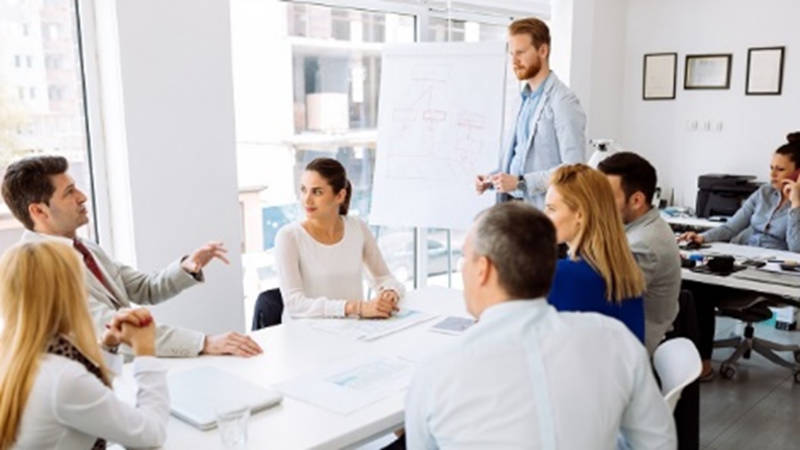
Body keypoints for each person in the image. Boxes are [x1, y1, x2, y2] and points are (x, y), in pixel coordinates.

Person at [404, 202, 676, 449]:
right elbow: (657, 444)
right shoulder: (615, 341)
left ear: (483, 269)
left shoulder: (437, 372)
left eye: (465, 257)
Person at [1, 155, 262, 358]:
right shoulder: (38, 268)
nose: (82, 197)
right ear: (39, 211)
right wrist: (204, 343)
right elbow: (114, 329)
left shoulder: (85, 248)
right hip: (83, 392)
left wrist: (188, 267)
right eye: (69, 192)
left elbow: (144, 288)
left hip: (117, 373)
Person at [0, 241, 168, 450]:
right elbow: (150, 437)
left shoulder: (15, 355)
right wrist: (146, 353)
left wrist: (108, 345)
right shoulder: (62, 379)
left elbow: (89, 401)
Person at [679, 132, 800, 379]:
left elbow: (796, 249)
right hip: (741, 265)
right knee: (690, 285)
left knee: (700, 291)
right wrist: (703, 237)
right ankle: (692, 360)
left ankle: (701, 363)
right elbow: (732, 227)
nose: (773, 175)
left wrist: (795, 205)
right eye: (771, 168)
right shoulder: (763, 194)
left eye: (780, 169)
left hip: (771, 277)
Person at [475, 17, 586, 208]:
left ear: (543, 51)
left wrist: (521, 182)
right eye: (511, 54)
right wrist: (493, 179)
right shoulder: (521, 100)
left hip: (543, 214)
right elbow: (519, 159)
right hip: (512, 208)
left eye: (520, 53)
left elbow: (574, 168)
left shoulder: (563, 101)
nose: (514, 61)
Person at [275, 158, 404, 320]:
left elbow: (384, 278)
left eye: (317, 192)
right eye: (303, 190)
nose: (307, 199)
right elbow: (294, 304)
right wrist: (355, 307)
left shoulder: (358, 228)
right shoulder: (288, 237)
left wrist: (389, 292)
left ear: (340, 195)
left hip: (352, 330)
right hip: (306, 334)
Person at [544, 164, 647, 342]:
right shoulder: (624, 270)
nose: (544, 216)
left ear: (580, 214)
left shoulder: (562, 275)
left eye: (551, 209)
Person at [599, 152, 682, 354]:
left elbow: (601, 299)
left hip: (633, 347)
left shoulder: (643, 244)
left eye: (606, 197)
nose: (597, 204)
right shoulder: (640, 227)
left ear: (636, 200)